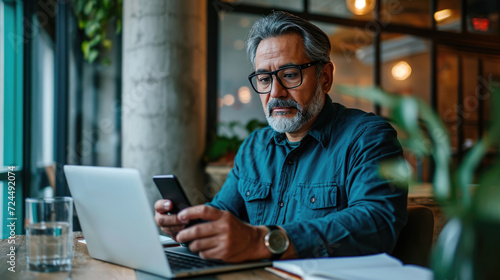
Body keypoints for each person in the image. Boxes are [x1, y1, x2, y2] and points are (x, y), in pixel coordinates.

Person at [154, 11, 407, 263]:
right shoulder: (255, 147)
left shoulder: (368, 137)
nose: (276, 92)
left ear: (325, 77)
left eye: (289, 75)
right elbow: (224, 212)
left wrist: (263, 241)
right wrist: (191, 226)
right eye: (264, 79)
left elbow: (377, 222)